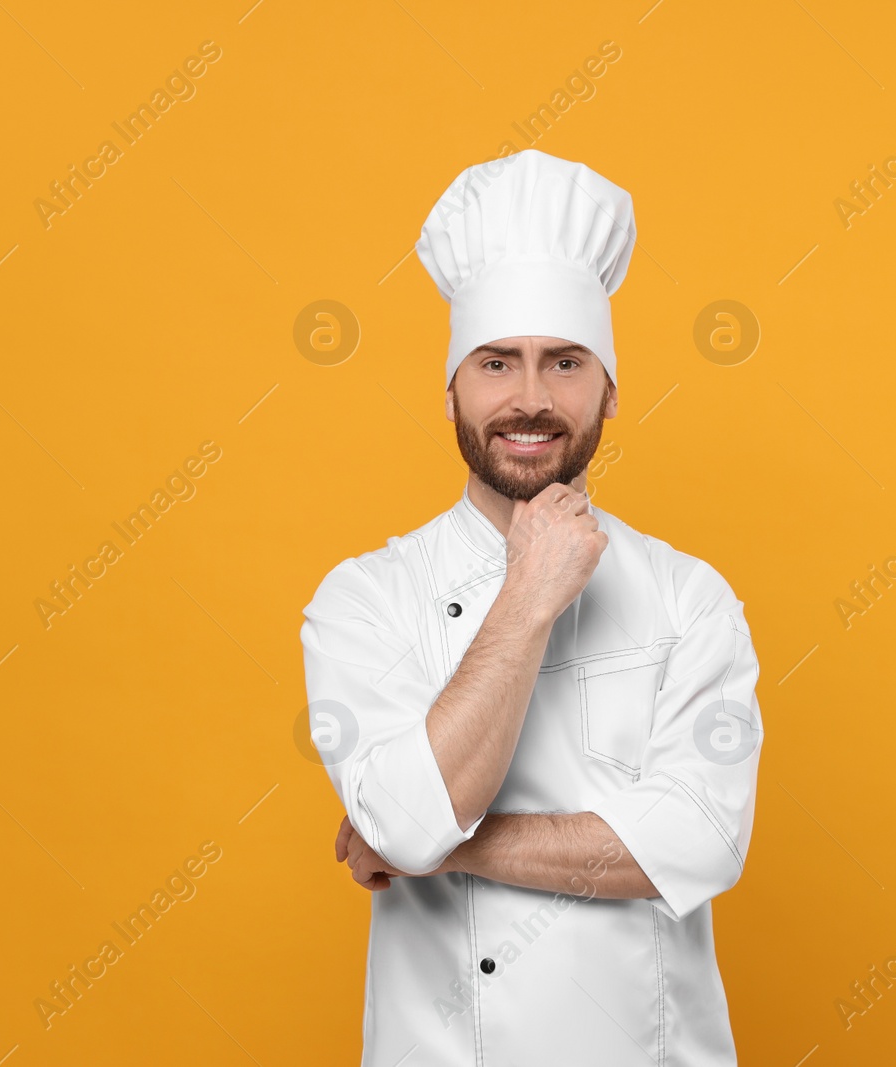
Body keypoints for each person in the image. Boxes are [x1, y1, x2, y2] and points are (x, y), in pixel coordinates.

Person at [300, 148, 763, 1065]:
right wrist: (530, 592)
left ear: (610, 389)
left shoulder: (689, 597)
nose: (530, 398)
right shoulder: (364, 599)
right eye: (495, 362)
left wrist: (444, 846)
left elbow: (699, 841)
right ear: (451, 390)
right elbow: (401, 824)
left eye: (564, 362)